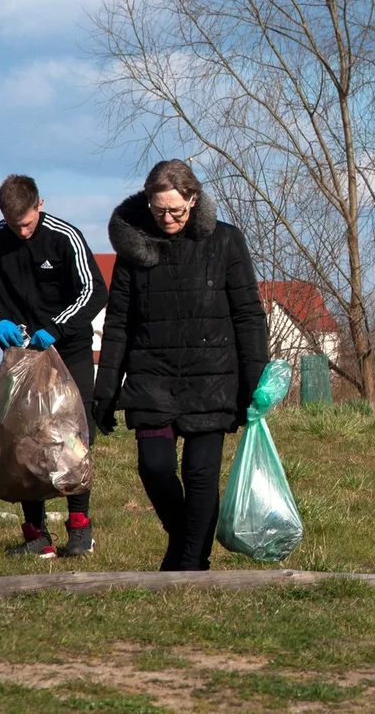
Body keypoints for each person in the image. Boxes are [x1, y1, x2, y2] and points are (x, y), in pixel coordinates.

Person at [93, 159, 270, 571]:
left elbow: (247, 313)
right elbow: (119, 322)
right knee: (153, 467)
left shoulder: (226, 241)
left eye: (176, 210)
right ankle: (186, 544)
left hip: (212, 378)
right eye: (159, 210)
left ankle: (190, 564)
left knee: (201, 474)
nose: (167, 218)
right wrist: (104, 392)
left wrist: (254, 379)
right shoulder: (133, 250)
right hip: (152, 376)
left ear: (193, 199)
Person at [0, 174, 108, 558]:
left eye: (26, 222)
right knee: (21, 441)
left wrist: (56, 327)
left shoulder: (64, 237)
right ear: (1, 213)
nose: (21, 231)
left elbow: (94, 291)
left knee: (71, 439)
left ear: (39, 205)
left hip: (66, 351)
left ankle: (80, 529)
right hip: (19, 357)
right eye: (13, 223)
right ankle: (36, 536)